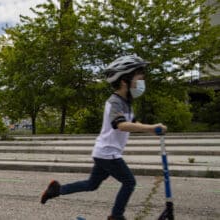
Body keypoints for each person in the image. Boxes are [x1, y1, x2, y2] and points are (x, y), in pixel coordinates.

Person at [40, 55, 167, 220]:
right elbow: (121, 125)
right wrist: (152, 127)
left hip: (104, 152)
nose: (141, 83)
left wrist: (152, 129)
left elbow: (133, 123)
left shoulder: (126, 102)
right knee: (129, 182)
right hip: (109, 153)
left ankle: (56, 190)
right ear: (124, 81)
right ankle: (116, 216)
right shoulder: (115, 102)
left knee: (91, 185)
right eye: (138, 79)